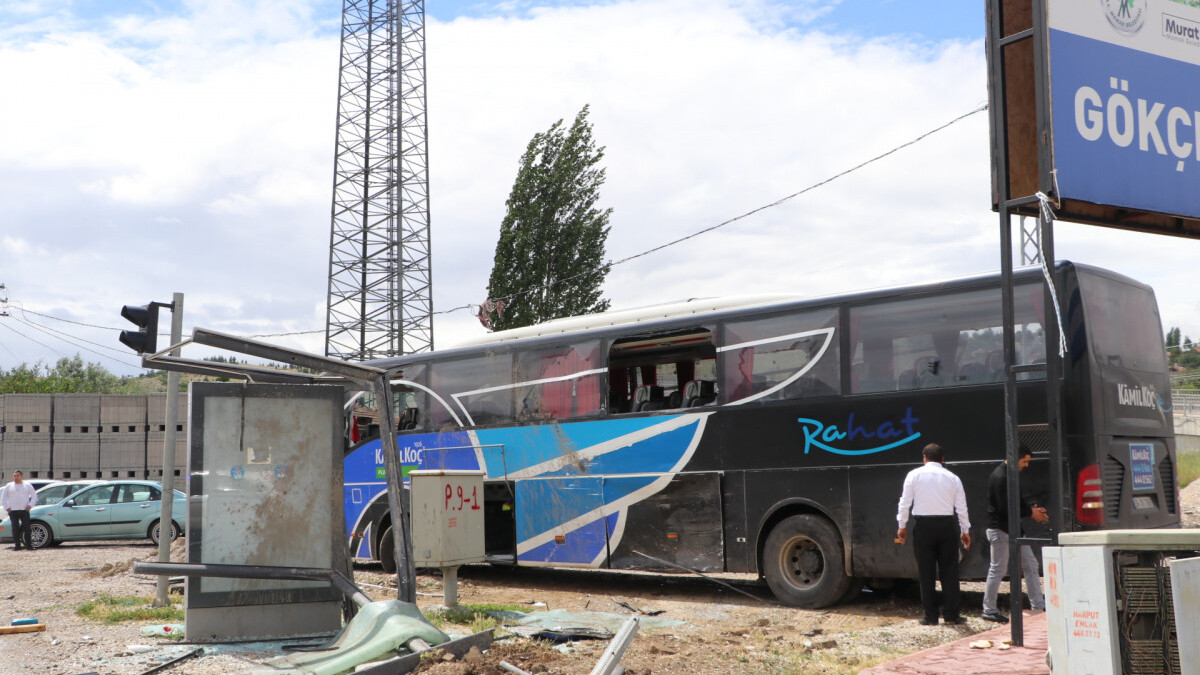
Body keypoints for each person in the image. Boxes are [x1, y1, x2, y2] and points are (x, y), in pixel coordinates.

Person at [896, 443, 972, 625]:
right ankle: (951, 615)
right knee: (950, 571)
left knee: (926, 572)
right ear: (943, 459)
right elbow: (961, 507)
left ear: (924, 458)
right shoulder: (953, 478)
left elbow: (905, 502)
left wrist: (902, 525)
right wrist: (965, 530)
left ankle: (930, 616)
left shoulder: (913, 475)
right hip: (947, 526)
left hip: (923, 527)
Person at [982, 444, 1050, 623]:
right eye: (1024, 461)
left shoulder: (1008, 475)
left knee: (1031, 564)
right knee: (998, 569)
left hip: (1014, 530)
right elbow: (1006, 507)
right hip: (1001, 529)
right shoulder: (1001, 476)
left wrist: (1030, 509)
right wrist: (1030, 512)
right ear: (1015, 459)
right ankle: (989, 609)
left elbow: (1015, 503)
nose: (1026, 465)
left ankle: (1038, 605)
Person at [2, 470, 38, 551]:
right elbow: (3, 497)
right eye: (14, 476)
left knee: (27, 528)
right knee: (15, 528)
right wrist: (7, 508)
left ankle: (29, 545)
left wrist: (30, 505)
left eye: (18, 475)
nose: (16, 477)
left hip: (24, 510)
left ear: (22, 476)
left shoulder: (27, 485)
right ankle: (17, 546)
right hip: (13, 510)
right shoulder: (9, 486)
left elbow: (34, 496)